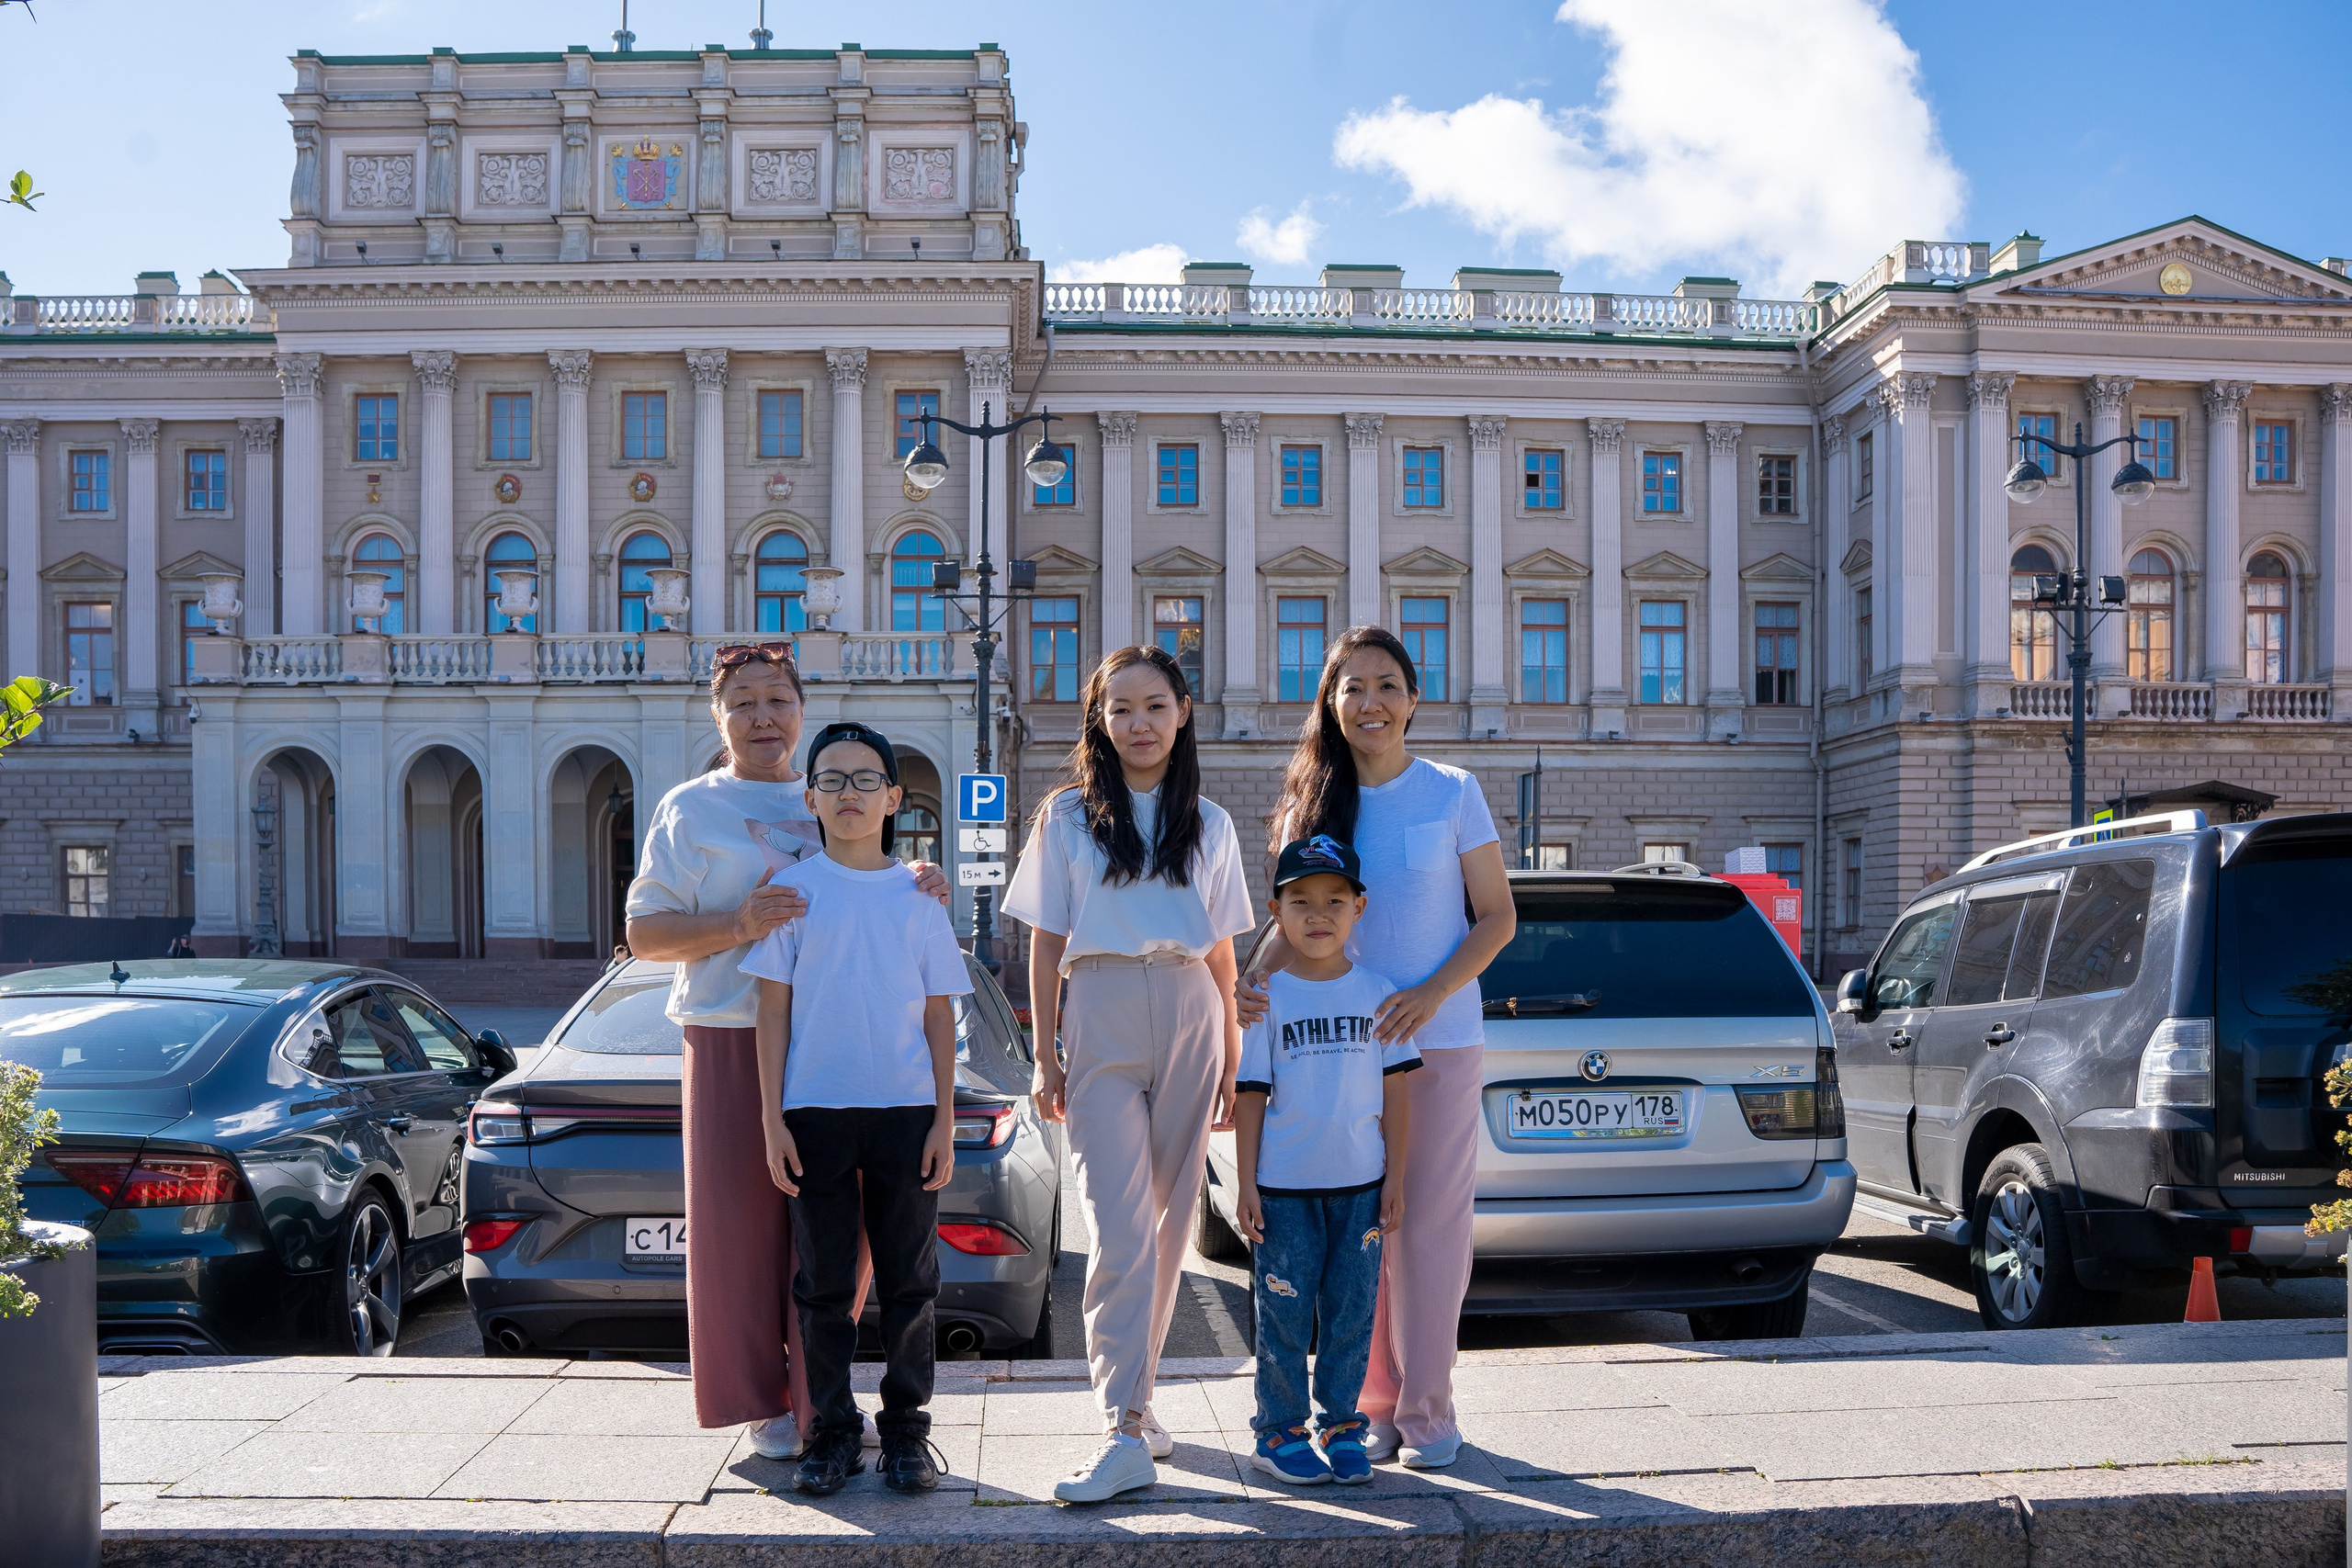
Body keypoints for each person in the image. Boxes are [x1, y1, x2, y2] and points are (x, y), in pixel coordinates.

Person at [624, 642, 948, 1459]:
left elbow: (869, 873)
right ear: (717, 716)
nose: (762, 716)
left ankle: (822, 1402)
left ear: (803, 708)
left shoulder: (829, 790)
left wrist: (921, 878)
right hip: (733, 1032)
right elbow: (643, 933)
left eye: (778, 698)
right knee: (740, 1229)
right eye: (743, 701)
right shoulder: (689, 808)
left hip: (842, 1044)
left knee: (841, 1242)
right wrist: (737, 925)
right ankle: (761, 1401)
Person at [1243, 626, 1514, 1470]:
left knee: (1430, 1231)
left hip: (1441, 1044)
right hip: (1334, 1056)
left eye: (1388, 684)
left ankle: (1430, 1413)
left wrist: (1432, 993)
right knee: (1362, 1237)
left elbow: (1498, 917)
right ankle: (1368, 1411)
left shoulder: (1453, 790)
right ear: (1330, 701)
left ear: (1414, 699)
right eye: (1353, 686)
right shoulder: (1309, 807)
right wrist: (1251, 988)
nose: (1372, 702)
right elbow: (1293, 929)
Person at [1002, 645, 1256, 1505]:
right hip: (1100, 1007)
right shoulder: (1067, 817)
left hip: (1191, 1008)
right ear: (1099, 721)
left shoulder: (1211, 822)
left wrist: (1231, 1052)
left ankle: (1138, 1411)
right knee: (1117, 1229)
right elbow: (1041, 937)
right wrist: (1044, 1051)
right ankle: (1120, 1426)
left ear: (1183, 710)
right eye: (1120, 709)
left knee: (1172, 1223)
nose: (1138, 723)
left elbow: (1223, 950)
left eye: (1154, 705)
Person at [743, 722, 966, 1496]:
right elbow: (771, 1012)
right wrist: (771, 1117)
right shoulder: (796, 891)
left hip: (906, 1111)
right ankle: (831, 1430)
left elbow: (941, 1015)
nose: (849, 793)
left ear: (894, 797)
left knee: (911, 1281)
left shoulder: (919, 895)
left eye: (866, 779)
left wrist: (944, 1116)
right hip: (815, 1113)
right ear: (810, 797)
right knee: (826, 1284)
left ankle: (907, 1429)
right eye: (832, 779)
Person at [1232, 834, 1416, 1487]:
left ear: (1358, 908)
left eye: (1334, 899)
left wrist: (1396, 1176)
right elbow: (1250, 1096)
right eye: (1301, 899)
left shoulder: (1378, 992)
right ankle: (1277, 1432)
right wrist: (1247, 1182)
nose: (1318, 913)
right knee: (1282, 1314)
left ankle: (1342, 1427)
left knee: (1350, 1312)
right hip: (1283, 1189)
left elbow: (1397, 1091)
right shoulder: (1267, 997)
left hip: (1360, 1187)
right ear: (1277, 910)